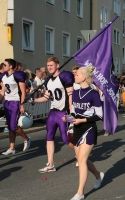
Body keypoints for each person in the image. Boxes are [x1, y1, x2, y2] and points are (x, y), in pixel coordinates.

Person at [63, 66, 104, 200]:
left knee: (81, 160)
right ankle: (98, 175)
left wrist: (82, 120)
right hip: (77, 129)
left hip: (89, 129)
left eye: (77, 74)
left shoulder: (93, 94)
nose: (74, 75)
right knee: (82, 160)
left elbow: (100, 115)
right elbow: (74, 112)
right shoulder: (75, 92)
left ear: (84, 77)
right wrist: (68, 118)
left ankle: (80, 193)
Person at [32, 57, 75, 173]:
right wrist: (33, 100)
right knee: (49, 137)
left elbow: (71, 97)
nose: (49, 67)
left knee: (66, 138)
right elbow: (47, 98)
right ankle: (50, 164)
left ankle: (80, 154)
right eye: (48, 65)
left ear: (57, 65)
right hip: (53, 112)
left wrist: (71, 116)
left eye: (52, 65)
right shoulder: (48, 80)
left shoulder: (64, 77)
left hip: (63, 111)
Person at [0, 58, 32, 155]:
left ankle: (26, 138)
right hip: (7, 101)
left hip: (15, 101)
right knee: (10, 126)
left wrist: (22, 105)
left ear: (10, 66)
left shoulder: (17, 75)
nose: (3, 66)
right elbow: (3, 90)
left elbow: (23, 92)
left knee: (13, 126)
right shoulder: (3, 76)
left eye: (5, 65)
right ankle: (12, 148)